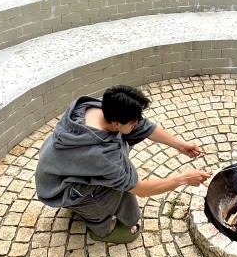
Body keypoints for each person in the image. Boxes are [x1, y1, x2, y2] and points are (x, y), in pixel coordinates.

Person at [34, 85, 210, 243]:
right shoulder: (103, 156)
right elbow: (141, 190)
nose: (138, 124)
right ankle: (101, 229)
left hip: (60, 167)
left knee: (122, 154)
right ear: (117, 123)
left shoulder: (101, 106)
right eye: (133, 122)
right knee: (114, 190)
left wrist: (181, 145)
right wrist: (185, 178)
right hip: (59, 188)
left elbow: (143, 126)